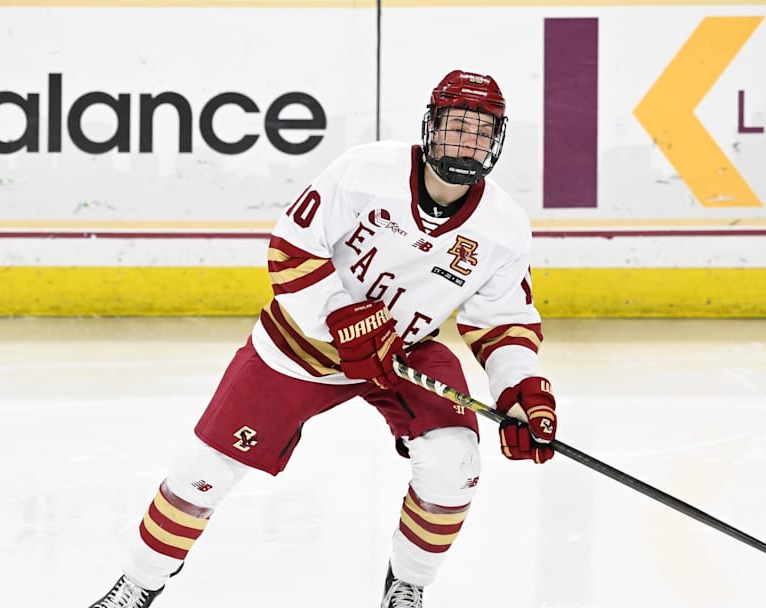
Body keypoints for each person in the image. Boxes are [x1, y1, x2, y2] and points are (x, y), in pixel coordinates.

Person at [88, 69, 558, 608]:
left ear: (497, 140)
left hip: (401, 354)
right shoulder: (365, 172)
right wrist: (340, 314)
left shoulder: (503, 226)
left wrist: (521, 391)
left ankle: (407, 584)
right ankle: (139, 581)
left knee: (455, 461)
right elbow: (290, 250)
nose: (465, 142)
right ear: (431, 126)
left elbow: (503, 323)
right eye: (456, 126)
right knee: (204, 470)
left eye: (480, 132)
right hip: (300, 346)